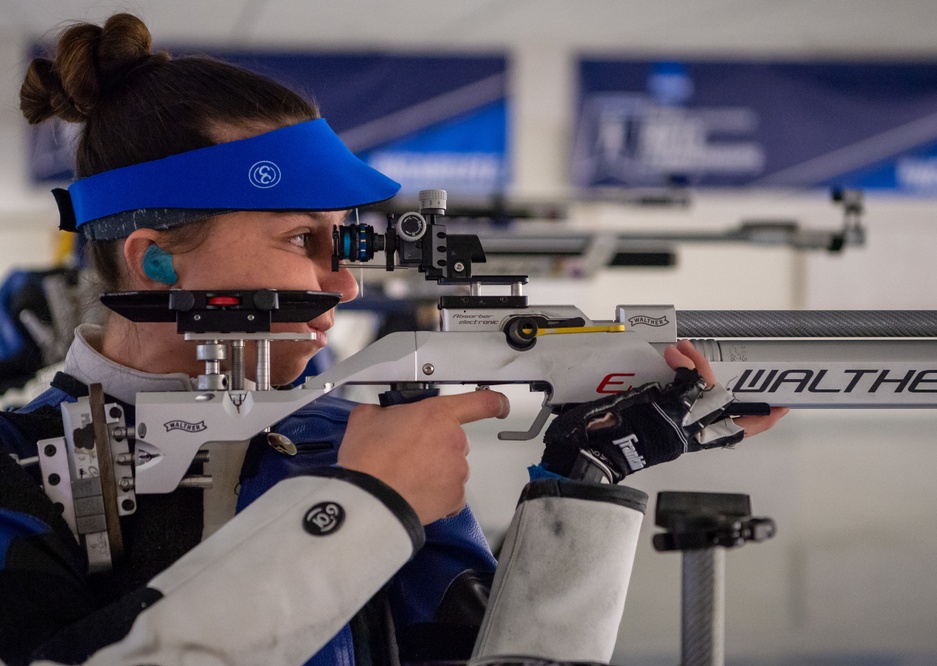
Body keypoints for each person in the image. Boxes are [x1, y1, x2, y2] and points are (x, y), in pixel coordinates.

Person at [0, 13, 786, 666]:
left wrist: (581, 486)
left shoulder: (345, 436)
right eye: (300, 238)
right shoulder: (18, 471)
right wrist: (364, 509)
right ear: (157, 259)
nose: (343, 287)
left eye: (340, 244)